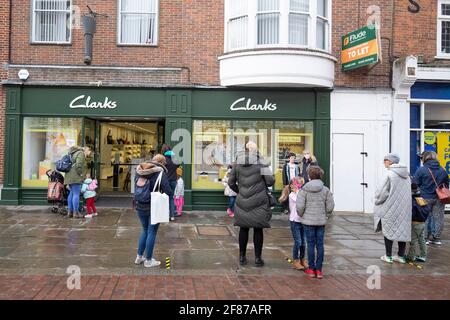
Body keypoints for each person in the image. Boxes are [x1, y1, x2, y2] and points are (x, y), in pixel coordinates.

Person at [228, 141, 275, 267]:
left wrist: (240, 192)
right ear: (257, 150)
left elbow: (231, 182)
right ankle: (258, 259)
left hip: (242, 201)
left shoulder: (237, 164)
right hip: (259, 201)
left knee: (243, 228)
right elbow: (270, 182)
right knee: (258, 229)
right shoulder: (262, 163)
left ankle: (242, 257)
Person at [134, 154, 173, 268]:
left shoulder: (140, 170)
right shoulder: (159, 172)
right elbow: (167, 190)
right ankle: (149, 260)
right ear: (162, 163)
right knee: (152, 232)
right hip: (154, 206)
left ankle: (139, 256)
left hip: (140, 204)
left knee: (145, 230)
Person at [296, 166, 334, 279]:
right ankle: (319, 270)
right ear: (320, 176)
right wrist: (326, 215)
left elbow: (300, 206)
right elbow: (330, 206)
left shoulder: (304, 190)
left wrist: (302, 215)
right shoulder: (325, 190)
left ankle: (311, 269)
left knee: (310, 245)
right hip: (320, 221)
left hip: (308, 222)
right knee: (320, 245)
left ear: (309, 176)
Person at [374, 153, 412, 264]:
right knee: (402, 231)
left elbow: (382, 193)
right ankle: (400, 256)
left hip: (390, 207)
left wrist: (376, 201)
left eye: (385, 160)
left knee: (388, 230)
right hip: (404, 208)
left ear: (390, 161)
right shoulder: (407, 175)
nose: (384, 162)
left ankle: (388, 256)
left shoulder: (389, 174)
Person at [414, 151, 449, 246]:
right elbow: (446, 184)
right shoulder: (442, 170)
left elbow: (415, 184)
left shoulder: (422, 170)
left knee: (424, 218)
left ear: (425, 158)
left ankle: (424, 238)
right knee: (439, 218)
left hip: (425, 197)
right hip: (439, 198)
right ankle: (436, 238)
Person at [279, 176, 307, 270]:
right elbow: (300, 201)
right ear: (292, 186)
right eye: (299, 185)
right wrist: (297, 190)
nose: (300, 187)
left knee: (304, 242)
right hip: (295, 221)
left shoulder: (301, 193)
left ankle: (303, 259)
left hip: (303, 221)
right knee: (298, 242)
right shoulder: (292, 195)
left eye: (301, 185)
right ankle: (296, 260)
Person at [406, 182, 431, 263]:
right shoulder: (421, 199)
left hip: (415, 223)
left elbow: (412, 212)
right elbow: (426, 210)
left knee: (413, 241)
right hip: (422, 222)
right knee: (421, 239)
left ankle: (411, 256)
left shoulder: (412, 201)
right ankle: (423, 256)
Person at [64, 146, 90, 219]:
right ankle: (76, 213)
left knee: (71, 193)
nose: (89, 152)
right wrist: (80, 174)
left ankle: (70, 212)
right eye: (89, 151)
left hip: (69, 175)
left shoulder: (73, 153)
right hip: (75, 176)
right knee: (76, 194)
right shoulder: (81, 153)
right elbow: (79, 165)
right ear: (85, 150)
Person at [161, 144, 179, 222]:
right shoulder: (174, 160)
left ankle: (165, 216)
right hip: (174, 181)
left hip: (166, 181)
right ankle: (172, 216)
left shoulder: (164, 160)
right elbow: (178, 165)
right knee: (171, 198)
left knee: (165, 198)